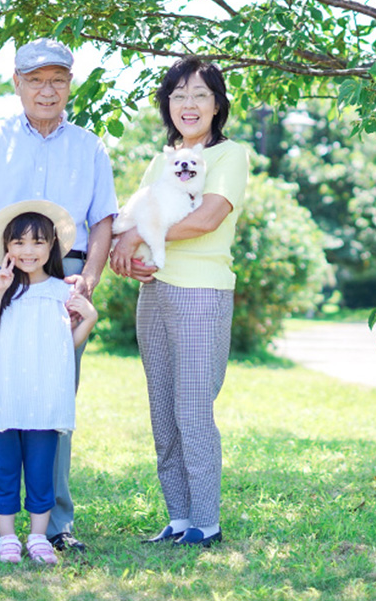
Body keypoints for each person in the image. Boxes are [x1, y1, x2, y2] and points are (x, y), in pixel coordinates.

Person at [0, 38, 118, 555]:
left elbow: (104, 221)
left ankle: (56, 524)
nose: (47, 90)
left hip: (61, 287)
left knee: (54, 401)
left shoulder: (90, 146)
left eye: (58, 80)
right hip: (0, 284)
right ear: (16, 83)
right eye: (36, 80)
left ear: (70, 85)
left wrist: (89, 277)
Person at [109, 57, 250, 548]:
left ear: (217, 104)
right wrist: (121, 248)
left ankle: (205, 523)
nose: (188, 105)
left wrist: (137, 241)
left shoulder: (229, 156)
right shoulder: (163, 158)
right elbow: (134, 215)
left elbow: (206, 219)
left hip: (201, 293)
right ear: (168, 105)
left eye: (200, 95)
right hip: (155, 292)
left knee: (192, 410)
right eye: (178, 95)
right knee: (163, 411)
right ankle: (178, 517)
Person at [0, 200, 99, 564]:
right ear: (7, 248)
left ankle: (39, 536)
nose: (28, 251)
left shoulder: (62, 292)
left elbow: (64, 345)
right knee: (4, 469)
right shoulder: (2, 290)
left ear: (52, 246)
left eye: (38, 242)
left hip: (44, 398)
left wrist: (89, 318)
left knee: (42, 470)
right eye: (19, 243)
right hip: (4, 396)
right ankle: (7, 537)